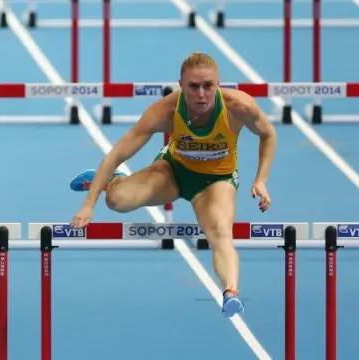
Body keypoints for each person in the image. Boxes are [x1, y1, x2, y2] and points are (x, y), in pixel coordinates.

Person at [69, 52, 277, 318]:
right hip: (173, 171)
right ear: (181, 84)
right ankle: (111, 182)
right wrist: (89, 204)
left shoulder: (239, 107)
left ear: (218, 83)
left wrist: (261, 179)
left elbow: (268, 134)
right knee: (117, 201)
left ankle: (231, 292)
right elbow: (118, 153)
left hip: (217, 181)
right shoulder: (165, 110)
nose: (201, 94)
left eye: (208, 86)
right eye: (193, 87)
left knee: (220, 231)